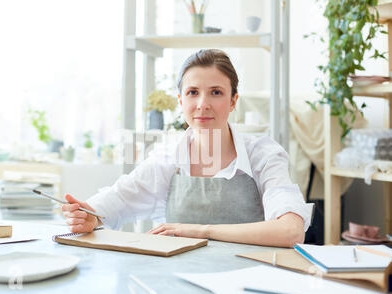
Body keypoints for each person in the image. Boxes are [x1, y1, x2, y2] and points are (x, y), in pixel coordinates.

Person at [62, 49, 313, 248]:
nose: (203, 104)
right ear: (181, 101)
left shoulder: (263, 153)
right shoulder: (167, 157)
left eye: (216, 92)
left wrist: (200, 231)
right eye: (193, 92)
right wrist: (89, 216)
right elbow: (119, 198)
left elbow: (290, 230)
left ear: (233, 100)